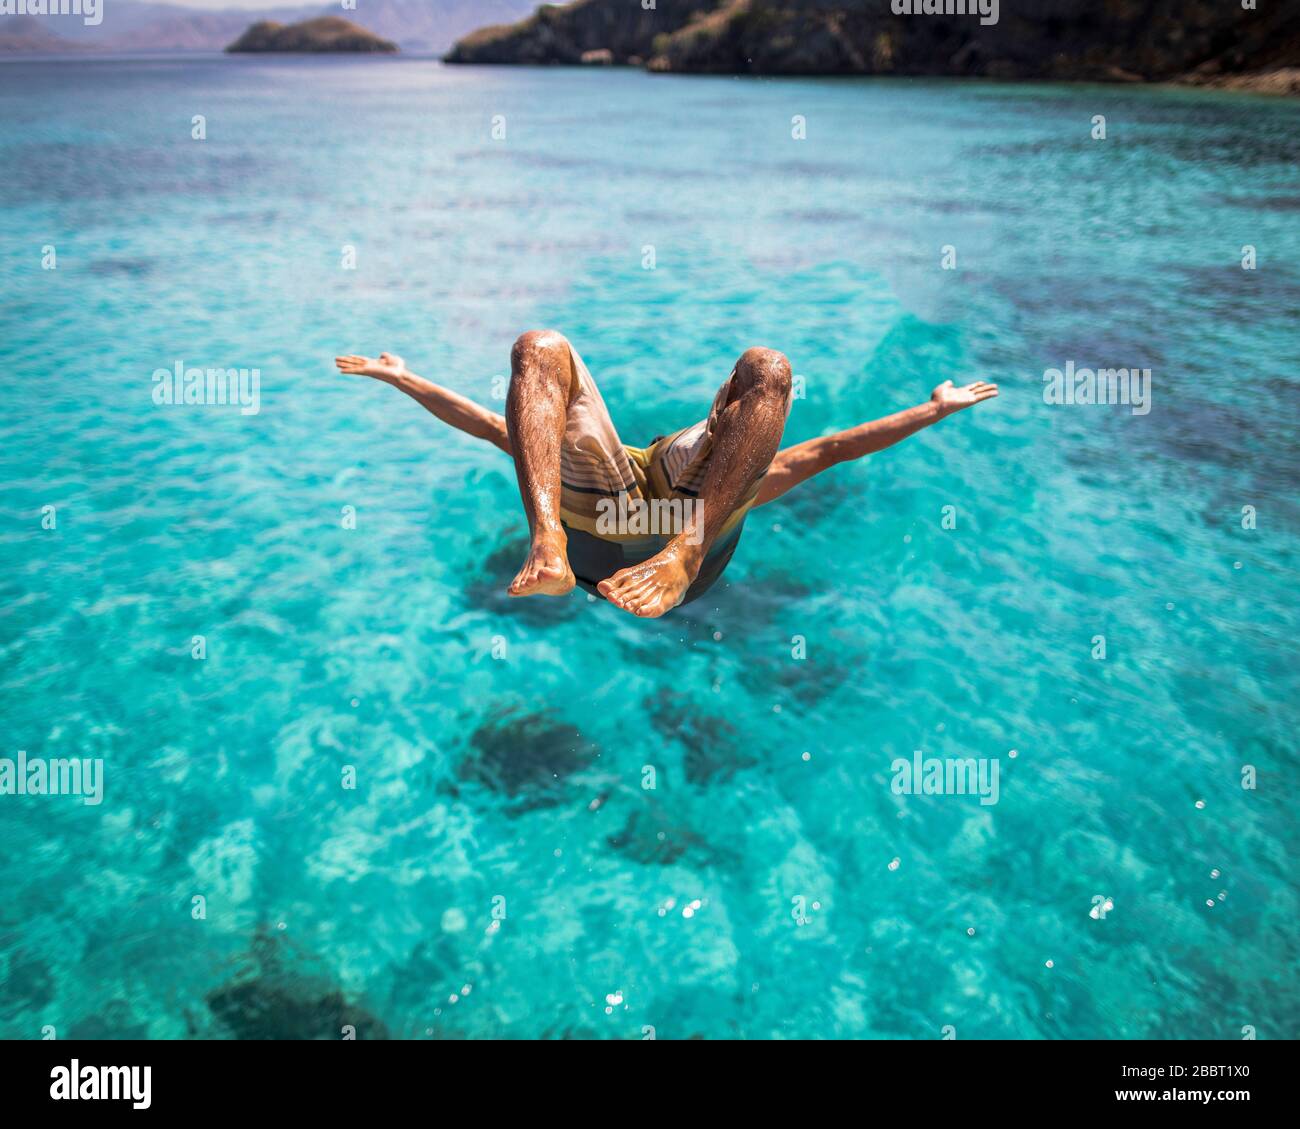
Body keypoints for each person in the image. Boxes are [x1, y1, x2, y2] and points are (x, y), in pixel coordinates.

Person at [335, 332, 997, 618]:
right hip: (658, 535)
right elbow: (833, 449)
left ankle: (557, 542)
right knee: (539, 350)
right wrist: (935, 410)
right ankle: (553, 544)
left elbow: (483, 424)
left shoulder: (705, 474)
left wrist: (405, 380)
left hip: (637, 534)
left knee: (763, 371)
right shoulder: (733, 481)